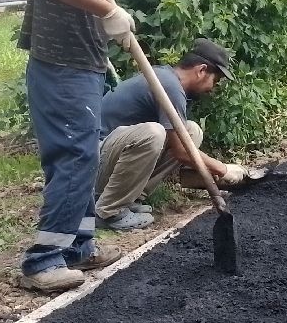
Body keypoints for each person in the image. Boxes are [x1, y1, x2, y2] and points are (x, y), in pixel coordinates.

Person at [17, 0, 141, 294]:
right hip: (63, 65)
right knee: (74, 156)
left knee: (83, 154)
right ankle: (44, 259)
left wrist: (108, 24)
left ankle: (78, 247)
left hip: (81, 65)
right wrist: (106, 9)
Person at [95, 39, 251, 230]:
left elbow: (182, 143)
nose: (213, 88)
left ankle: (129, 198)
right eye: (215, 80)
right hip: (93, 162)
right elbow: (181, 151)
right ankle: (110, 211)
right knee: (154, 133)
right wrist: (223, 170)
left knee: (191, 131)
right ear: (202, 70)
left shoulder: (168, 80)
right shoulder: (169, 86)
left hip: (110, 157)